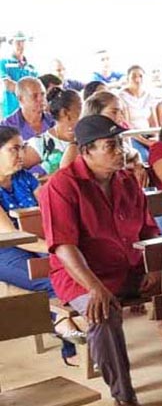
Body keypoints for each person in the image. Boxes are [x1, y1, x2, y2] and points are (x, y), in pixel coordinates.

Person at [40, 115, 162, 406]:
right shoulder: (62, 185)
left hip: (128, 268)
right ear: (86, 151)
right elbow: (65, 246)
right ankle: (124, 396)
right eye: (111, 145)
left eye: (120, 143)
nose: (120, 150)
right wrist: (94, 287)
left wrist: (155, 267)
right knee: (103, 313)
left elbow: (148, 230)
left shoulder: (127, 181)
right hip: (81, 275)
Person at [0, 125, 83, 366]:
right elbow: (11, 234)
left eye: (23, 147)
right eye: (14, 149)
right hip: (6, 251)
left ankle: (64, 326)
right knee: (57, 279)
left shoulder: (24, 177)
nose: (21, 154)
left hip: (37, 244)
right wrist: (55, 247)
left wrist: (60, 243)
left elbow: (50, 208)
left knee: (69, 272)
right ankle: (64, 330)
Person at [23, 87, 81, 178]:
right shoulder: (42, 143)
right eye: (80, 107)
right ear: (64, 113)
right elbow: (9, 168)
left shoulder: (86, 136)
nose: (84, 112)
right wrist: (39, 182)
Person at [119, 65, 158, 162]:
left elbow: (153, 121)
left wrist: (156, 138)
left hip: (147, 134)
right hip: (133, 136)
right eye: (134, 76)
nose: (137, 79)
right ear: (128, 79)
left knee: (160, 153)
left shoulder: (148, 96)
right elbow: (127, 124)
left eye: (140, 76)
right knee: (144, 156)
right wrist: (145, 142)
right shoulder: (122, 96)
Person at [1, 77, 53, 142]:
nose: (41, 99)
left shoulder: (55, 121)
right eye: (35, 96)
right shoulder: (6, 127)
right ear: (20, 99)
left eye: (42, 94)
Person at [1, 31, 38, 118]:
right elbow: (7, 84)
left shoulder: (32, 69)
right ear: (11, 43)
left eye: (23, 42)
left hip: (29, 116)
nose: (21, 45)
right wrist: (29, 91)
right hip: (10, 114)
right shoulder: (4, 63)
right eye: (18, 42)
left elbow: (38, 90)